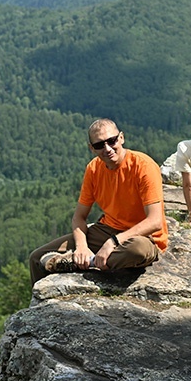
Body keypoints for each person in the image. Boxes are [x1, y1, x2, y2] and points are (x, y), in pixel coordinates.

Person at [28, 118, 168, 285]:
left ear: (121, 138)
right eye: (100, 145)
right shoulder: (93, 169)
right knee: (37, 258)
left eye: (112, 141)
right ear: (92, 148)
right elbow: (79, 217)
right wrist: (81, 247)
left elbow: (155, 221)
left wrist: (113, 242)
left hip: (143, 236)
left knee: (137, 251)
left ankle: (89, 262)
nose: (107, 149)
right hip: (107, 229)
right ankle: (43, 303)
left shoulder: (143, 166)